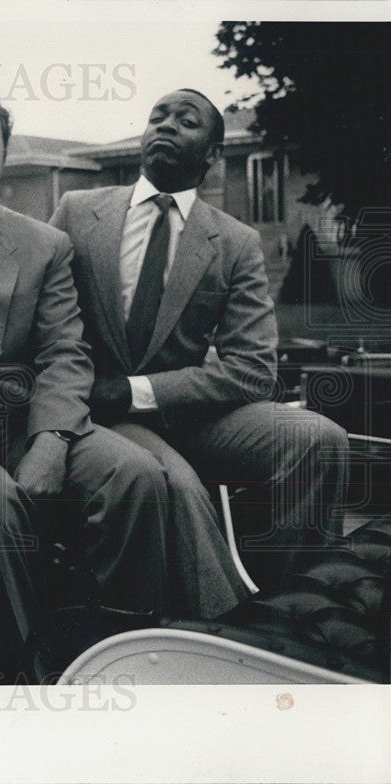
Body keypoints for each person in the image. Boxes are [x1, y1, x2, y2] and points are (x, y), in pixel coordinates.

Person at [0, 81, 250, 679]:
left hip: (25, 416)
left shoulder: (43, 243)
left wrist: (52, 440)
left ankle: (120, 653)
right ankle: (25, 667)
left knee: (134, 473)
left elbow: (66, 351)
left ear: (5, 154)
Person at [50, 88, 349, 588]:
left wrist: (134, 391)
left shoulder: (235, 241)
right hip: (94, 413)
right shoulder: (78, 211)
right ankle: (220, 621)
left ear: (213, 155)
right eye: (157, 116)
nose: (166, 126)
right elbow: (40, 317)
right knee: (177, 486)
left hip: (188, 415)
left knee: (319, 439)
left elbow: (253, 370)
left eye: (186, 122)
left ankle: (298, 601)